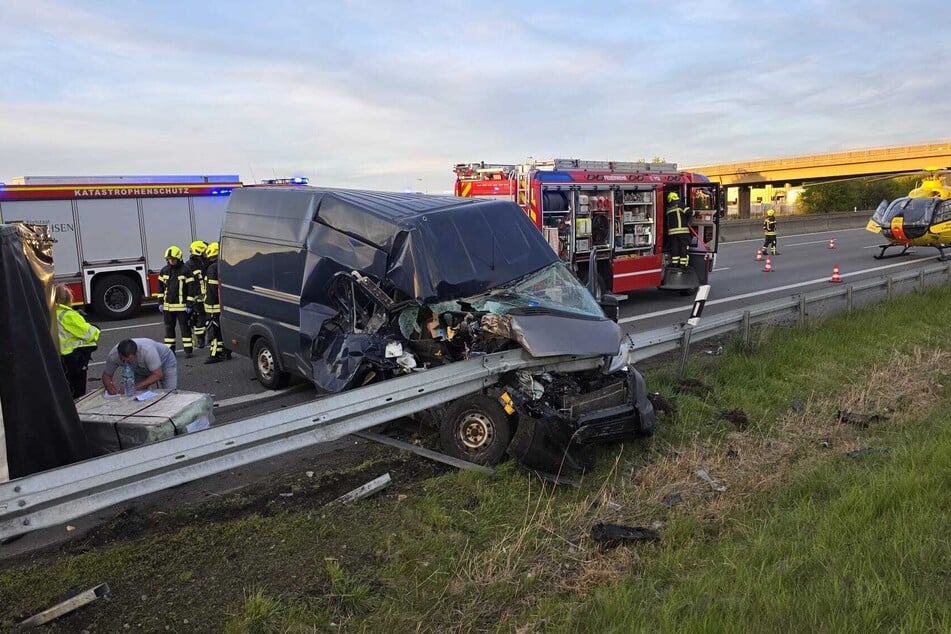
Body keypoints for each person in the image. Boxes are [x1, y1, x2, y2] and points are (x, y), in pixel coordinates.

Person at [55, 284, 101, 398]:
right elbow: (89, 334)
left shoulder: (51, 314)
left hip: (59, 357)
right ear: (69, 298)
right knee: (78, 392)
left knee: (65, 389)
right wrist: (96, 329)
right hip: (74, 358)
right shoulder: (69, 315)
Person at [157, 245, 197, 357]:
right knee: (169, 330)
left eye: (173, 259)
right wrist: (160, 302)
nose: (171, 261)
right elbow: (160, 288)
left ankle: (188, 351)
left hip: (182, 307)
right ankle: (170, 351)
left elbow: (191, 288)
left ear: (178, 258)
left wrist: (189, 304)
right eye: (169, 259)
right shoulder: (164, 271)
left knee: (185, 329)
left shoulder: (185, 270)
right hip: (168, 307)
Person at [101, 337, 178, 393]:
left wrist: (135, 387)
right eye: (122, 360)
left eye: (128, 360)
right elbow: (106, 375)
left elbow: (158, 375)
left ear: (136, 353)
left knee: (169, 394)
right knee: (137, 395)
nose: (125, 363)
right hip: (139, 367)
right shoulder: (113, 356)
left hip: (165, 362)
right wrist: (111, 389)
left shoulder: (148, 351)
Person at [202, 241, 233, 363]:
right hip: (220, 304)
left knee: (213, 331)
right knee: (221, 329)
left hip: (212, 306)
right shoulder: (221, 265)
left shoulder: (211, 268)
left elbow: (212, 289)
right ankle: (226, 351)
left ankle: (214, 354)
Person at [184, 240, 208, 349]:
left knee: (201, 317)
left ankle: (200, 338)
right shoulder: (190, 265)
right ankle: (200, 339)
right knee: (200, 317)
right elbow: (190, 283)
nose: (205, 253)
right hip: (196, 297)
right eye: (204, 251)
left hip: (203, 295)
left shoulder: (200, 262)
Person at [664, 191, 692, 268]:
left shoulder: (668, 207)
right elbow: (689, 212)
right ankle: (683, 264)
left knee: (674, 248)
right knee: (683, 247)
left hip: (672, 233)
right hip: (682, 231)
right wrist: (695, 213)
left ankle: (675, 263)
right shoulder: (680, 204)